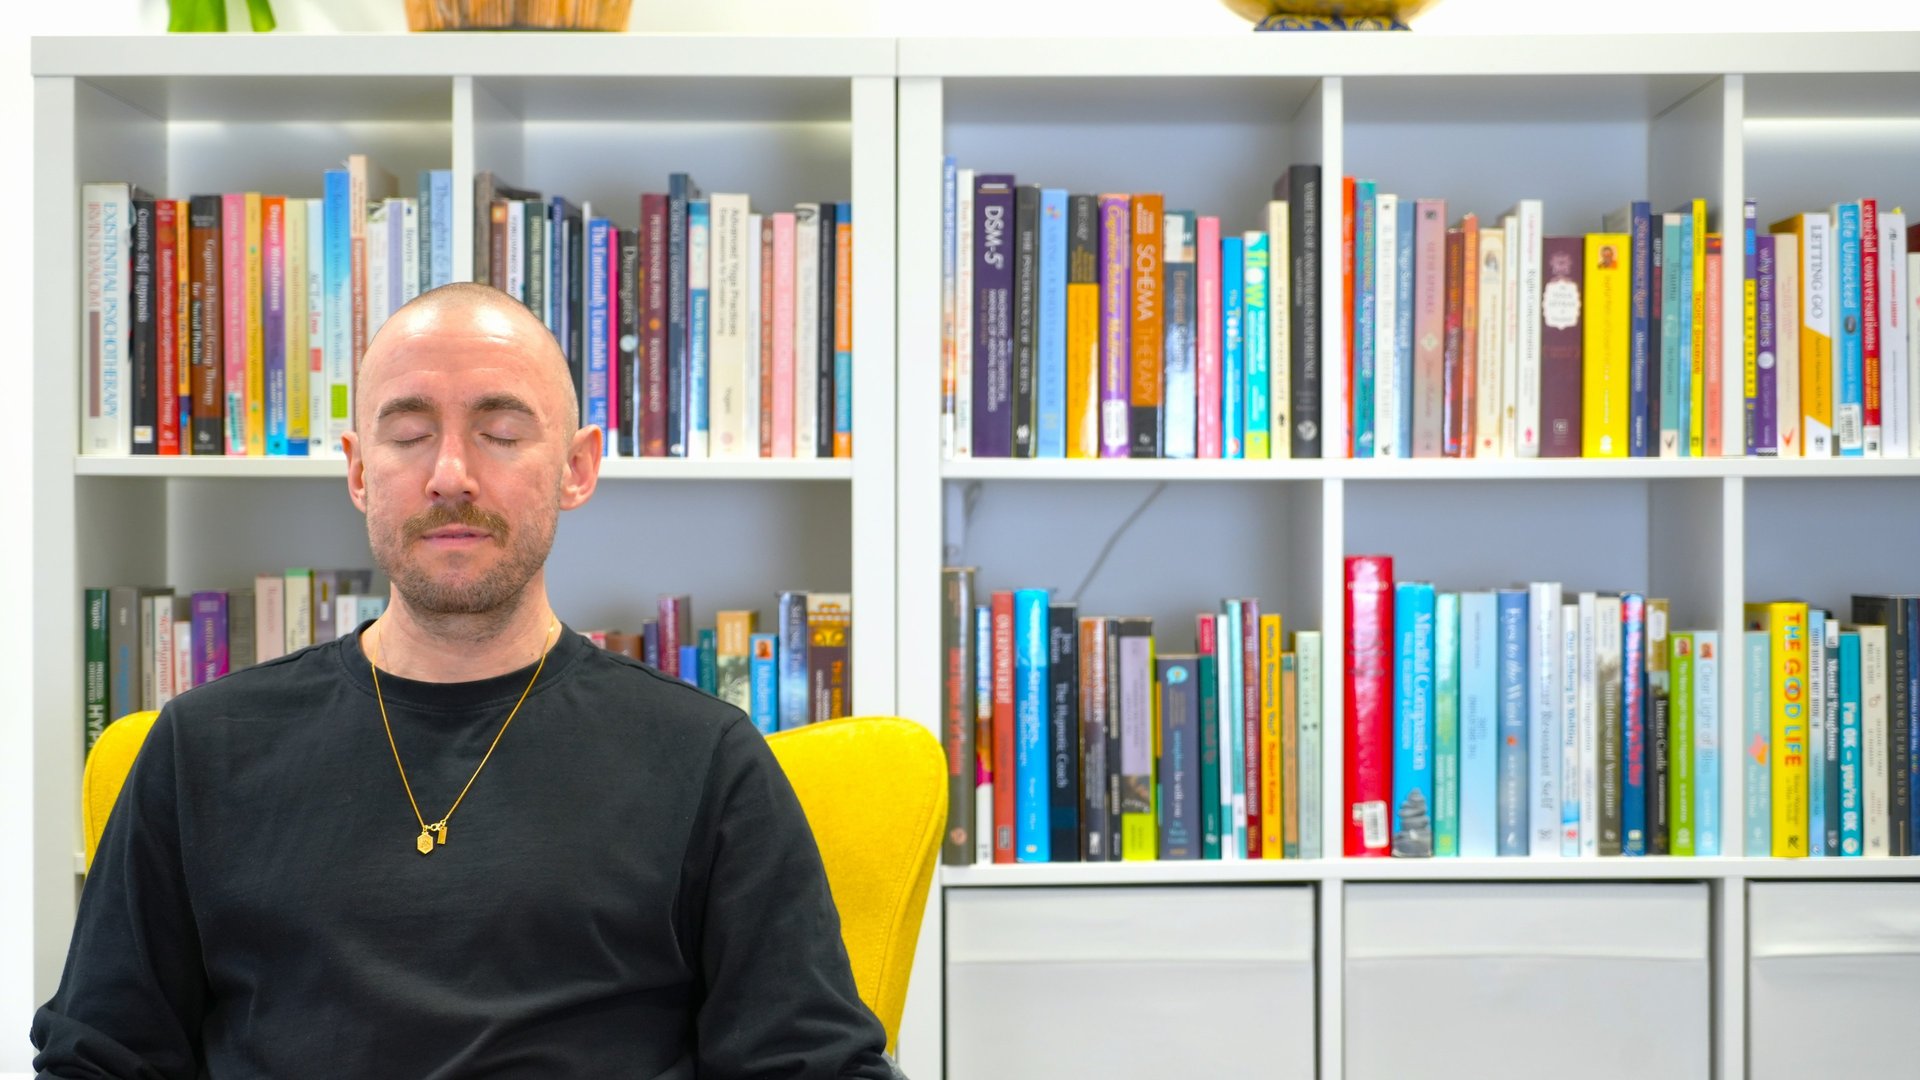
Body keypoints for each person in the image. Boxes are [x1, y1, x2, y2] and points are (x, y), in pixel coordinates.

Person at [31, 282, 897, 1079]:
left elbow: (816, 1066)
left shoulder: (705, 759)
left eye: (501, 432)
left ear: (577, 468)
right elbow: (99, 1060)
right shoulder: (201, 750)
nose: (451, 473)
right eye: (408, 434)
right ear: (360, 470)